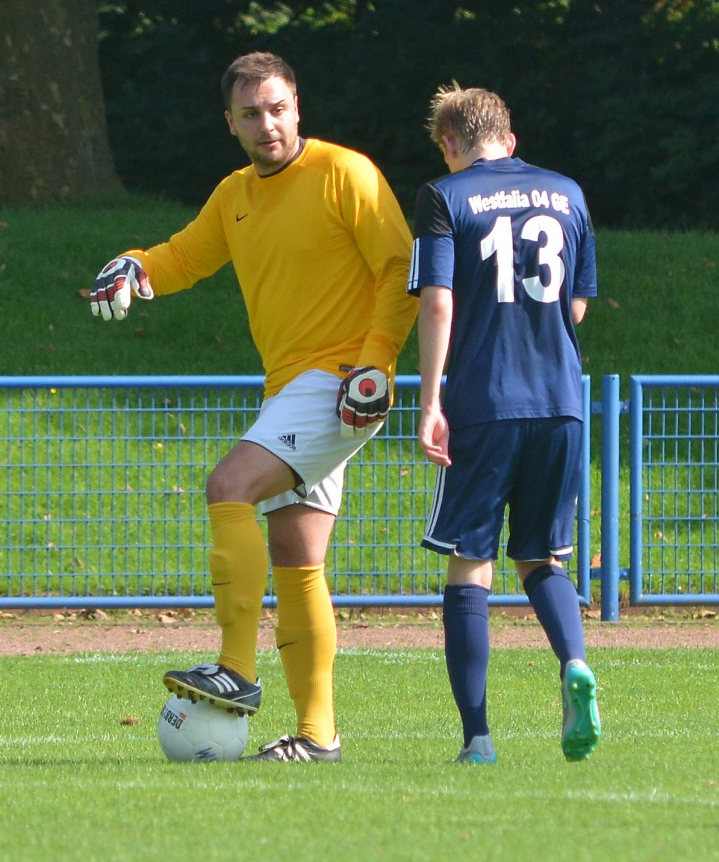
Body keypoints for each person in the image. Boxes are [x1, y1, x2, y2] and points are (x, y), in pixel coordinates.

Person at [88, 51, 416, 762]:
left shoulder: (344, 173)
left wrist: (377, 365)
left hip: (339, 384)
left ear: (297, 108)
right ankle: (317, 738)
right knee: (298, 559)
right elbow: (184, 257)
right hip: (293, 390)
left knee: (227, 485)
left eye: (277, 108)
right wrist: (137, 264)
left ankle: (235, 669)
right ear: (230, 123)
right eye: (250, 114)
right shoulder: (235, 192)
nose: (267, 124)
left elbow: (400, 266)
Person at [409, 83, 601, 764]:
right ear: (510, 140)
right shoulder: (568, 192)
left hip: (485, 403)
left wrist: (430, 399)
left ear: (449, 144)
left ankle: (479, 739)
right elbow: (577, 306)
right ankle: (574, 662)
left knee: (471, 566)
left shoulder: (444, 196)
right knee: (542, 558)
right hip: (562, 401)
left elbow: (438, 304)